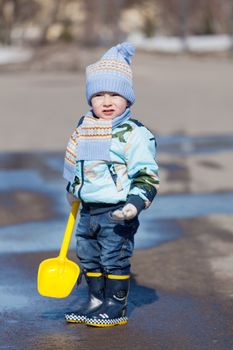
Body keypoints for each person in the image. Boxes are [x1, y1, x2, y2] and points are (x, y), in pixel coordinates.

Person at [63, 42, 159, 327]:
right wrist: (73, 189)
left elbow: (146, 174)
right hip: (88, 209)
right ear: (89, 100)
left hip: (117, 209)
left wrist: (135, 204)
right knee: (88, 254)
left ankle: (115, 306)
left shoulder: (134, 134)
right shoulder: (84, 129)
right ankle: (95, 300)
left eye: (115, 94)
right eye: (99, 95)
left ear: (127, 99)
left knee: (114, 255)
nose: (106, 101)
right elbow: (78, 165)